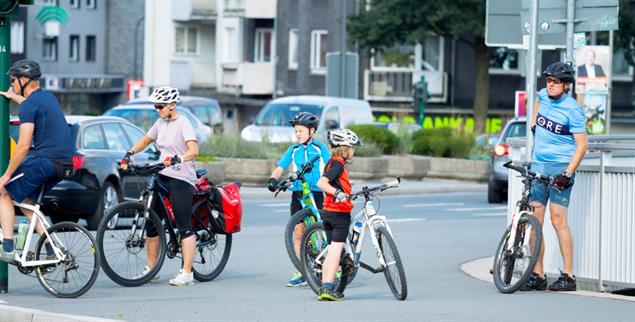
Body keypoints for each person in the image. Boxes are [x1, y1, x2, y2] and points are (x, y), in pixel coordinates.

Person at [123, 86, 199, 286]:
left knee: (184, 226)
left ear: (172, 105)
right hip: (163, 175)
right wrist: (129, 153)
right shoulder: (160, 122)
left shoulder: (183, 123)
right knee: (151, 225)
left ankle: (187, 272)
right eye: (155, 106)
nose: (157, 109)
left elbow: (194, 150)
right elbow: (146, 140)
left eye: (160, 106)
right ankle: (151, 269)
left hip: (182, 177)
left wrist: (178, 159)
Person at [523, 62, 588, 292]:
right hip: (539, 165)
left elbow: (582, 146)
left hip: (561, 169)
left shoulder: (573, 110)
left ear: (566, 85)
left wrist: (567, 173)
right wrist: (533, 124)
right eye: (548, 80)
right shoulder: (543, 95)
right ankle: (537, 275)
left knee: (558, 221)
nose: (550, 85)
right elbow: (535, 102)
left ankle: (568, 277)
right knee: (534, 222)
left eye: (555, 82)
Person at [0, 60, 73, 263]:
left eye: (13, 80)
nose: (12, 84)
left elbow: (23, 147)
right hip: (65, 164)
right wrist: (14, 97)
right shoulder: (47, 98)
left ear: (23, 80)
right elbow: (31, 105)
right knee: (26, 202)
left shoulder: (28, 107)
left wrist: (5, 176)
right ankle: (51, 248)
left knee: (2, 190)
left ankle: (7, 247)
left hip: (46, 161)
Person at [267, 112, 330, 287]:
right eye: (296, 131)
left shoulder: (319, 148)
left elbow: (331, 167)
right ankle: (302, 270)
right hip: (298, 193)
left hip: (316, 192)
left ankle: (331, 264)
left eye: (301, 131)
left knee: (322, 229)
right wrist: (273, 180)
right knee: (299, 231)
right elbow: (280, 167)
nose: (298, 134)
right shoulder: (293, 150)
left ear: (312, 131)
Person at [316, 129, 362, 301]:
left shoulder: (331, 163)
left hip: (328, 212)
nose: (353, 152)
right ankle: (328, 288)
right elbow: (322, 183)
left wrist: (346, 196)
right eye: (352, 148)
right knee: (336, 251)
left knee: (331, 251)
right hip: (338, 215)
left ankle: (324, 287)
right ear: (344, 149)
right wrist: (338, 194)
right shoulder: (337, 164)